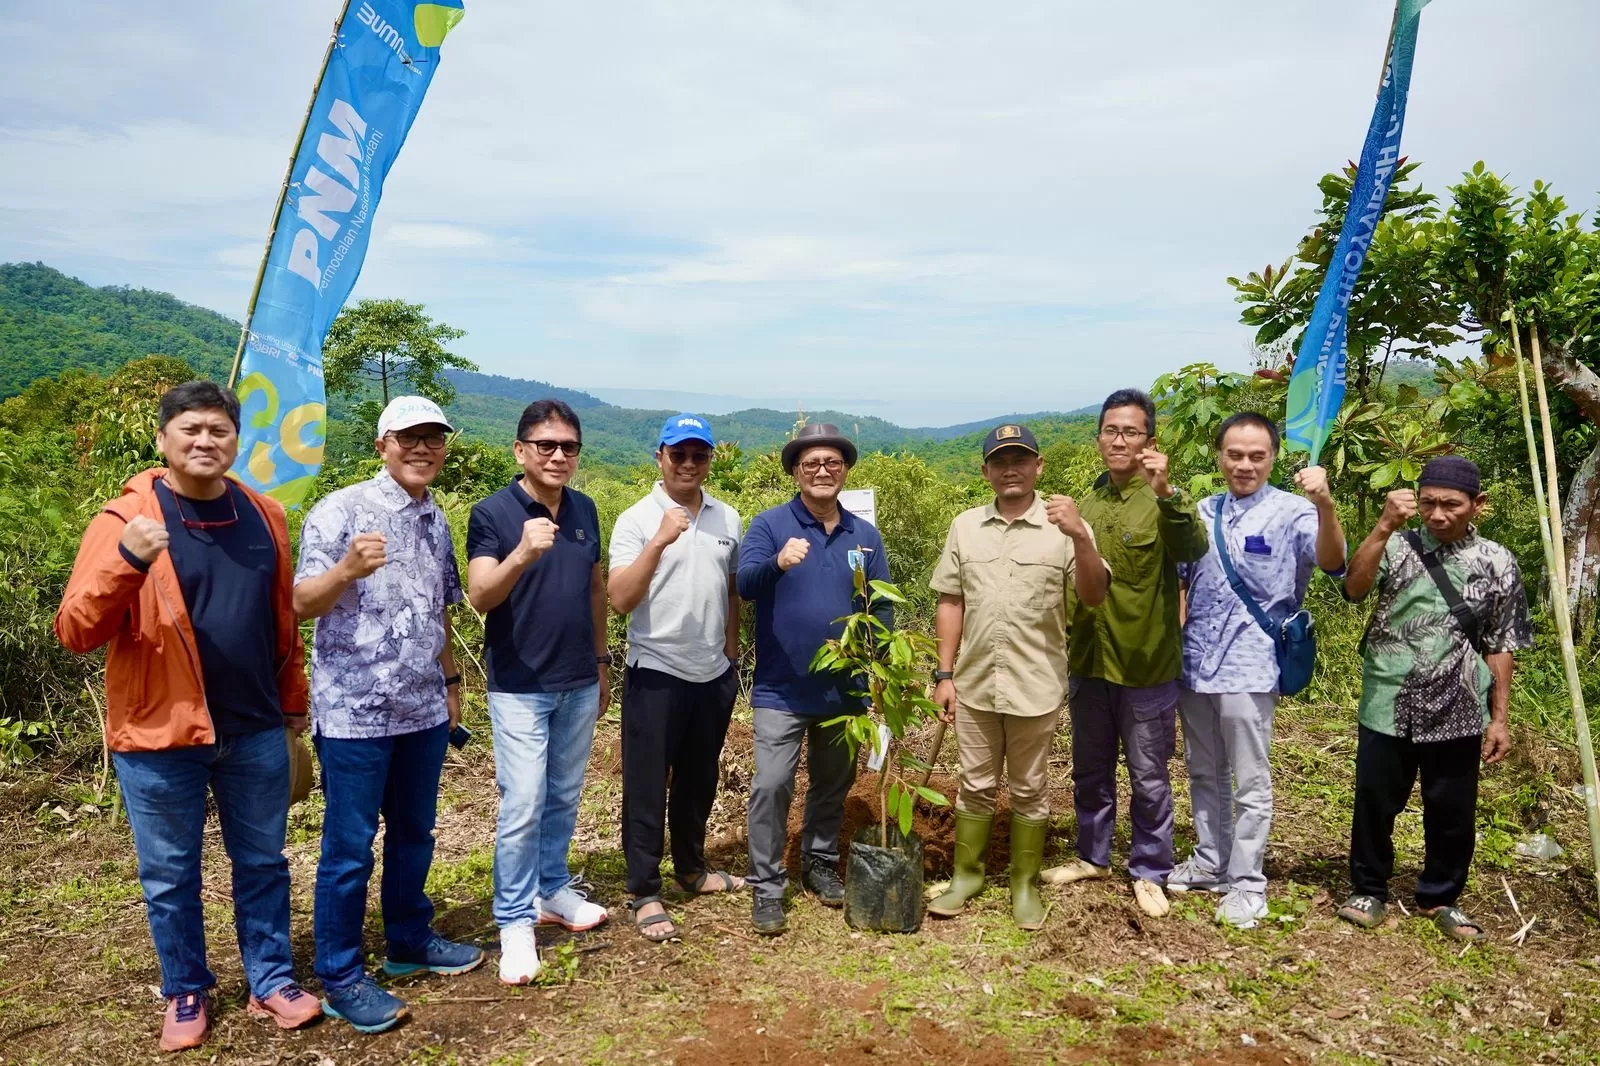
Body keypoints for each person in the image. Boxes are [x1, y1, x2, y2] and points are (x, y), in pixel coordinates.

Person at [54, 381, 320, 1052]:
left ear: (237, 440)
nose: (205, 441)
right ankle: (185, 990)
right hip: (157, 735)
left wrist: (293, 707)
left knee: (262, 862)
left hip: (255, 727)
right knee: (170, 875)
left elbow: (281, 622)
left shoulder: (264, 516)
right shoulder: (124, 522)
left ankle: (271, 980)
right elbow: (75, 630)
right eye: (191, 430)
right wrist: (126, 564)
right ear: (163, 440)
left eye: (219, 431)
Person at [295, 396, 483, 1033]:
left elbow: (442, 610)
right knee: (348, 849)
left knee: (414, 835)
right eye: (409, 438)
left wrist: (452, 682)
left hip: (423, 709)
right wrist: (346, 569)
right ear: (382, 444)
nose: (423, 449)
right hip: (353, 716)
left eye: (434, 439)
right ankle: (342, 974)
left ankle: (408, 940)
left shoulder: (435, 518)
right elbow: (300, 603)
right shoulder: (340, 510)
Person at [1335, 457, 1531, 941]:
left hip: (1460, 702)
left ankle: (1440, 897)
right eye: (1428, 504)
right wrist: (1382, 526)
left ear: (1477, 505)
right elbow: (1353, 588)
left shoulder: (1497, 561)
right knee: (1376, 800)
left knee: (1452, 809)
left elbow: (1501, 643)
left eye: (1451, 505)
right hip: (1389, 697)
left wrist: (1499, 718)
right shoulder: (1397, 545)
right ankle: (1369, 889)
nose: (1438, 515)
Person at [927, 424, 1109, 930]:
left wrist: (1080, 536)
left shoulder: (1066, 526)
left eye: (1021, 459)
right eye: (1000, 460)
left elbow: (1094, 595)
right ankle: (968, 875)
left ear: (1038, 466)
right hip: (976, 681)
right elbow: (951, 599)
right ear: (985, 471)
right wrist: (944, 673)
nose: (1011, 469)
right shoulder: (965, 526)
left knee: (1029, 787)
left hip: (1036, 683)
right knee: (976, 784)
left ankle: (1024, 884)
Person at [1173, 411, 1347, 928]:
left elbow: (1335, 563)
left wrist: (1326, 503)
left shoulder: (1294, 511)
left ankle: (1248, 883)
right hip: (1195, 664)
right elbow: (1183, 583)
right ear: (1219, 456)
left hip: (1251, 665)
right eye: (1234, 454)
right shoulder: (1202, 510)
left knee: (1250, 781)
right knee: (1204, 771)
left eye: (1256, 456)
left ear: (1272, 458)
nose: (1244, 465)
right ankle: (1210, 861)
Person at [1041, 390, 1208, 919]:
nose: (1119, 440)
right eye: (1111, 431)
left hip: (1145, 664)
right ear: (1098, 440)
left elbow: (1193, 550)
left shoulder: (1162, 500)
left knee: (1149, 774)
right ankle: (1093, 856)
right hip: (1089, 661)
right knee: (1090, 769)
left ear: (1149, 442)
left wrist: (1167, 492)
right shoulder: (1085, 504)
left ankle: (1150, 868)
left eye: (1130, 432)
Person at [465, 399, 611, 983]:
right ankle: (514, 921)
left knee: (563, 794)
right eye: (545, 445)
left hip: (578, 678)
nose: (557, 456)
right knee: (522, 802)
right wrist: (522, 552)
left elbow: (596, 590)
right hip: (521, 686)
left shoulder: (586, 509)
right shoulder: (493, 513)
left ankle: (552, 889)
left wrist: (602, 662)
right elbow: (480, 595)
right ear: (520, 450)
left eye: (568, 447)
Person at [739, 423, 890, 936]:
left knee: (833, 784)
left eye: (832, 463)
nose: (822, 471)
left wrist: (885, 671)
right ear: (796, 472)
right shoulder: (770, 524)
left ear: (845, 471)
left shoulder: (864, 537)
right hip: (781, 688)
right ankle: (767, 883)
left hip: (843, 689)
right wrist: (778, 563)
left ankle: (819, 863)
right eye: (811, 464)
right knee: (772, 783)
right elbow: (744, 584)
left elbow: (879, 609)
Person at [608, 414, 744, 942]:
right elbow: (620, 599)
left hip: (712, 673)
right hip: (656, 671)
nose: (689, 464)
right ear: (659, 457)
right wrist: (661, 539)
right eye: (678, 454)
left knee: (698, 778)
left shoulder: (727, 518)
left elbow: (730, 589)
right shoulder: (636, 519)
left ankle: (691, 868)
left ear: (710, 460)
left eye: (699, 455)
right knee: (646, 784)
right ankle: (643, 888)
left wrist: (731, 652)